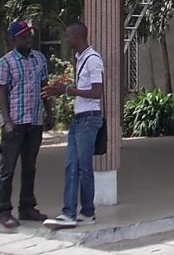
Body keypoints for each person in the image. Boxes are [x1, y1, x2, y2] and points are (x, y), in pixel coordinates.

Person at [42, 22, 103, 228]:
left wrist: (68, 90)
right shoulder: (81, 58)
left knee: (84, 168)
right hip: (79, 119)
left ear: (77, 36)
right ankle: (69, 213)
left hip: (88, 119)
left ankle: (86, 212)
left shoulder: (93, 60)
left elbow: (97, 92)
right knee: (71, 166)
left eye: (68, 36)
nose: (66, 40)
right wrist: (60, 91)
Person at [0, 19, 50, 229]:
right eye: (24, 36)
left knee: (30, 167)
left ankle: (27, 207)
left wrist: (49, 113)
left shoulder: (39, 59)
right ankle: (3, 211)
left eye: (29, 35)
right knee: (7, 169)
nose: (28, 39)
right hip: (15, 123)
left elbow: (44, 87)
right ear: (14, 39)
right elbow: (1, 93)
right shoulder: (6, 62)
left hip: (34, 121)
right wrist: (7, 121)